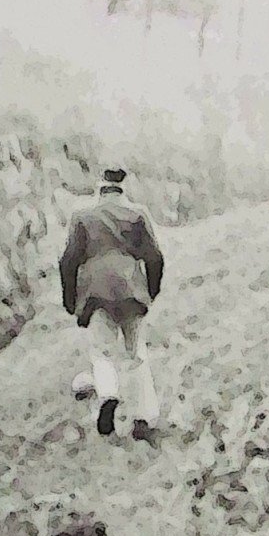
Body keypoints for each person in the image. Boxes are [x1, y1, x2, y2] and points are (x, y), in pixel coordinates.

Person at [59, 164, 164, 440]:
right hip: (131, 288)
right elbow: (154, 257)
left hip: (96, 292)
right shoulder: (137, 215)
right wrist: (150, 291)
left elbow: (68, 260)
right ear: (123, 187)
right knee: (136, 353)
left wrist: (70, 299)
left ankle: (108, 394)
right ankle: (144, 416)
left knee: (102, 351)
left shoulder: (83, 217)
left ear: (99, 187)